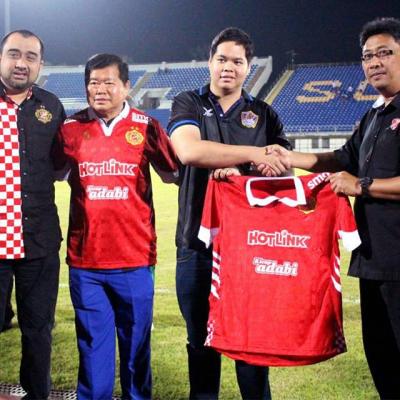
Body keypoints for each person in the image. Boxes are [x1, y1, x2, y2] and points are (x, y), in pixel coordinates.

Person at [266, 17, 400, 400]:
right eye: (367, 56)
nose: (374, 62)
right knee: (384, 363)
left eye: (385, 53)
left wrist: (361, 185)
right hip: (373, 262)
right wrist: (289, 157)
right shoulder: (374, 114)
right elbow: (341, 158)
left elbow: (355, 178)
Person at [167, 27, 291, 400]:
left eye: (237, 61)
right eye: (222, 59)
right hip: (196, 246)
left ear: (248, 67)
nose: (228, 67)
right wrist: (254, 155)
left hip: (249, 249)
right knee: (200, 342)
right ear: (210, 62)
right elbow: (189, 151)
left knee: (250, 344)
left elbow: (283, 169)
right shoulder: (188, 102)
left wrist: (248, 171)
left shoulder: (265, 114)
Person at [58, 53, 178, 400]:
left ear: (126, 87)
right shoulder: (69, 128)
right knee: (92, 349)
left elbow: (173, 173)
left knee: (136, 351)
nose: (100, 89)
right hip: (86, 262)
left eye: (108, 82)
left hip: (135, 259)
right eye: (93, 82)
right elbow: (50, 172)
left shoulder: (146, 126)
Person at [0, 30, 65, 399]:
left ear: (40, 64)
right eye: (14, 54)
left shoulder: (51, 106)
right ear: (1, 58)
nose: (21, 63)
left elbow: (59, 165)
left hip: (38, 241)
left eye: (30, 56)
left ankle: (37, 394)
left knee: (39, 330)